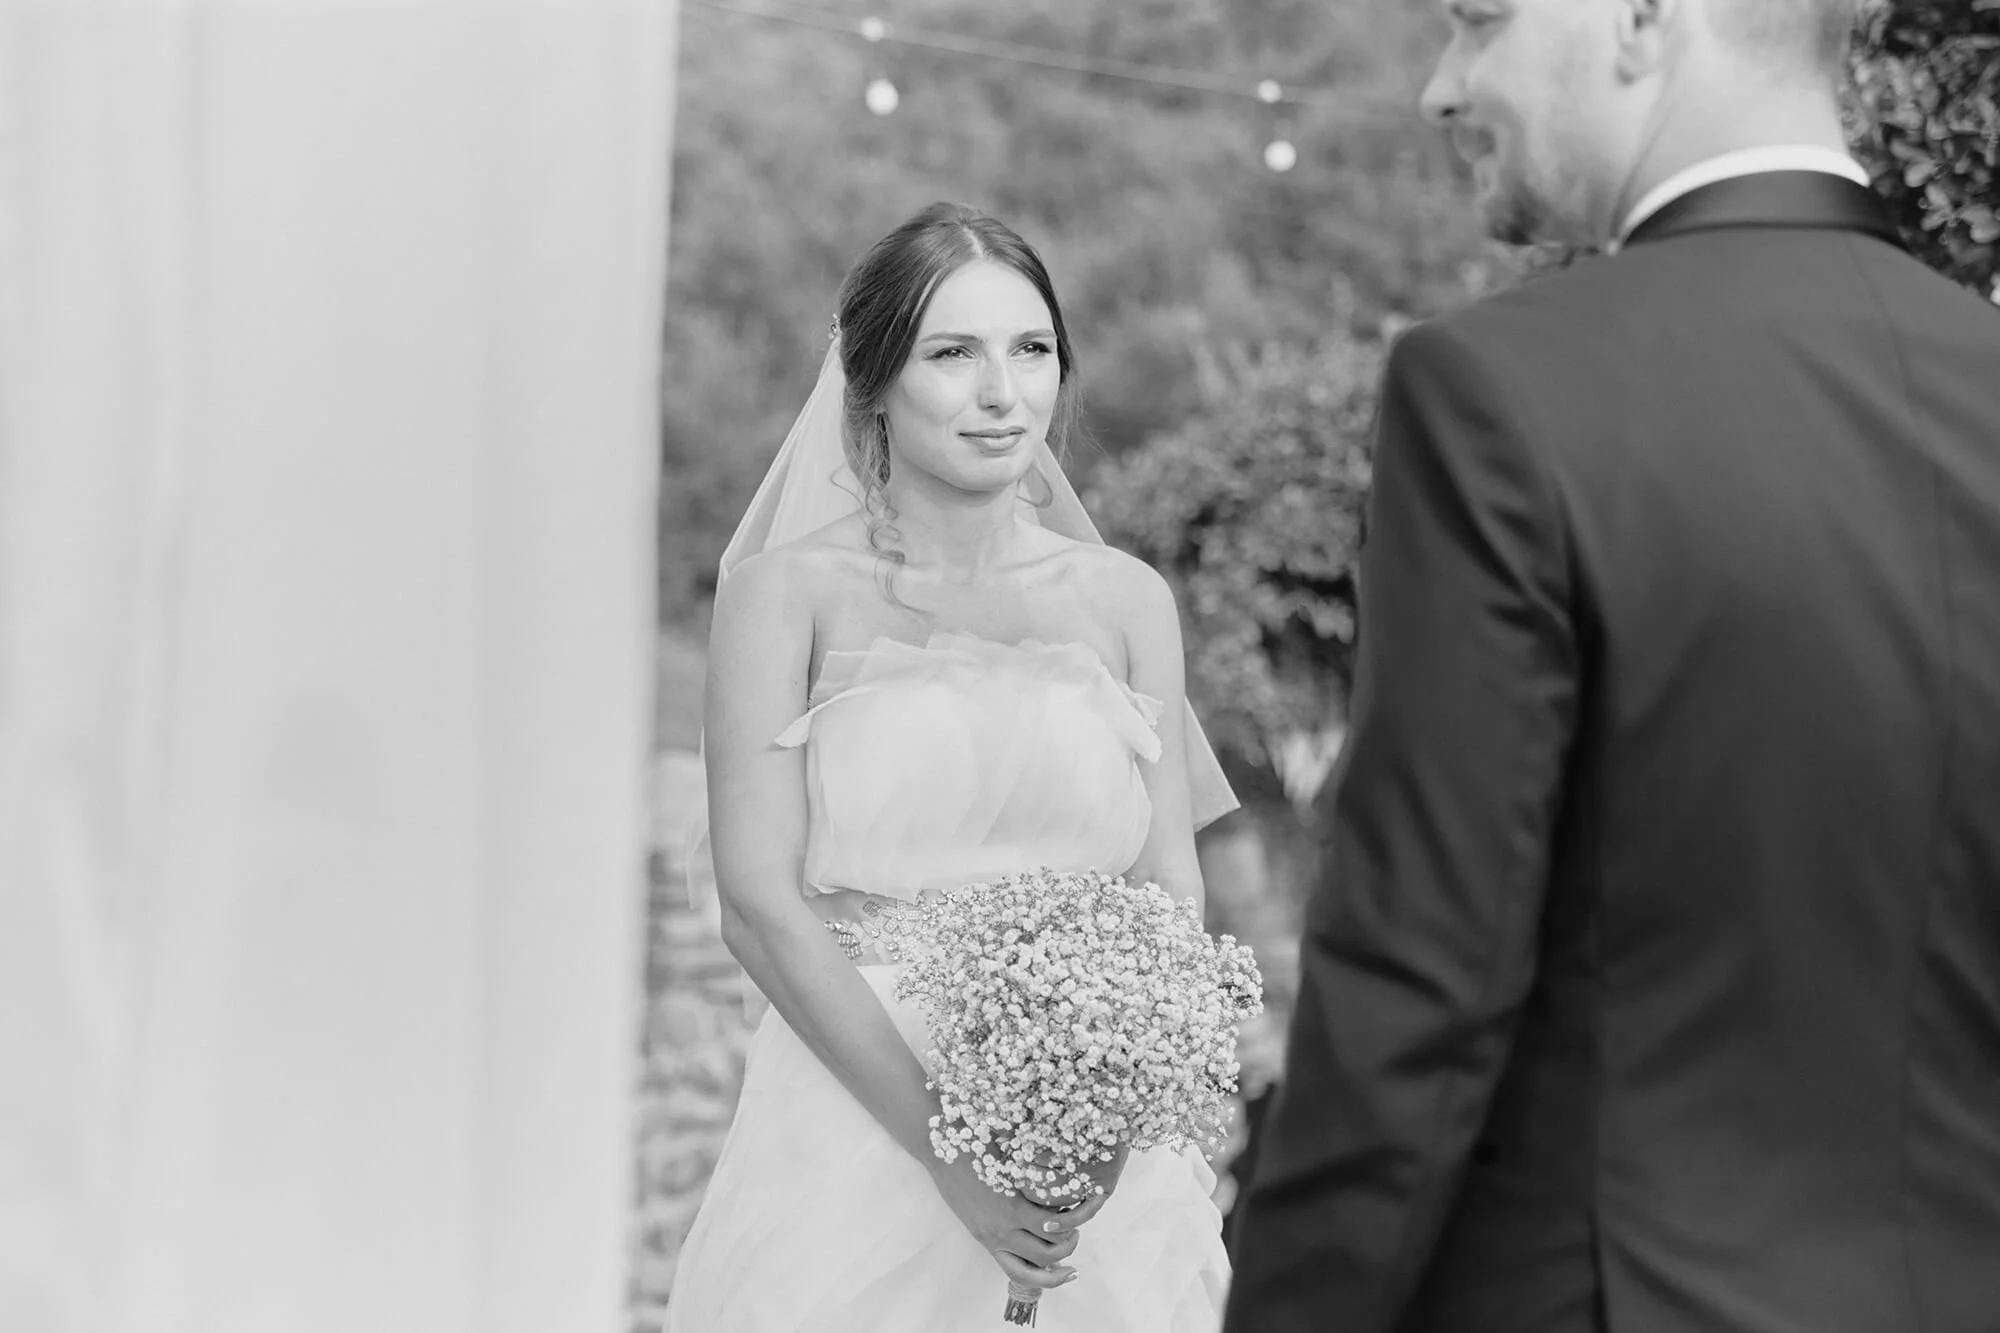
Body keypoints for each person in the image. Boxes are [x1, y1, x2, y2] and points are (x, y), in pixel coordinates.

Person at [1224, 0, 2000, 1330]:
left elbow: (1416, 994)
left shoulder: (1502, 393)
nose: (1439, 87)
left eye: (1478, 25)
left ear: (1638, 19)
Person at [665, 201, 1241, 1332]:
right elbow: (757, 903)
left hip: (1089, 1144)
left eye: (1030, 351)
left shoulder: (1127, 601)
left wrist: (1097, 1117)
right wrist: (952, 1155)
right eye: (951, 353)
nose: (1000, 392)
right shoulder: (782, 596)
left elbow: (1169, 883)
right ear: (870, 379)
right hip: (855, 1121)